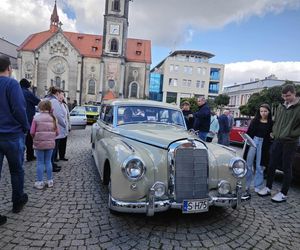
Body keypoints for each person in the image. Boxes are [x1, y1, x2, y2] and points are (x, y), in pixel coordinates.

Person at [258, 84, 300, 202]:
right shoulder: (281, 106)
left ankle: (283, 193)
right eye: (284, 96)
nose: (286, 98)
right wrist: (274, 131)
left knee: (287, 167)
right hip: (277, 139)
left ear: (294, 93)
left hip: (290, 141)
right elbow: (276, 120)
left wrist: (292, 133)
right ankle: (268, 187)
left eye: (288, 96)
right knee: (271, 164)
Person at [0, 55, 29, 220]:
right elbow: (19, 108)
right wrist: (25, 126)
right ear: (9, 68)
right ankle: (17, 202)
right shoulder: (12, 84)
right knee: (16, 170)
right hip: (12, 135)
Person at [244, 103, 273, 193]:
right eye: (261, 111)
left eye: (265, 111)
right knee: (248, 164)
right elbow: (249, 133)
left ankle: (258, 185)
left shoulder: (271, 123)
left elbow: (271, 136)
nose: (263, 113)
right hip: (254, 141)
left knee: (260, 166)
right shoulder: (255, 121)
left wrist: (272, 136)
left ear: (269, 112)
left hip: (264, 144)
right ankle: (246, 184)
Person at [31, 100, 59, 189]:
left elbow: (32, 132)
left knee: (40, 162)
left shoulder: (36, 118)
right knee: (48, 161)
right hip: (50, 144)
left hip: (39, 143)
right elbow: (57, 133)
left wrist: (35, 138)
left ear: (40, 107)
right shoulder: (53, 118)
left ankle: (40, 182)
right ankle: (50, 181)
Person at [45, 87, 67, 172]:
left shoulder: (46, 99)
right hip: (54, 127)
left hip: (46, 127)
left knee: (50, 148)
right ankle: (50, 165)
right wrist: (64, 124)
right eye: (60, 94)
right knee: (53, 148)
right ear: (57, 93)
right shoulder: (54, 101)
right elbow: (58, 115)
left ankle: (51, 163)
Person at [20, 78, 40, 161]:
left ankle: (19, 156)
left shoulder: (17, 91)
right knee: (29, 139)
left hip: (17, 119)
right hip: (28, 118)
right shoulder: (27, 93)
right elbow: (37, 101)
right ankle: (30, 155)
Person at [57, 92, 70, 161]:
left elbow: (68, 116)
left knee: (63, 142)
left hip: (65, 127)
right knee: (57, 142)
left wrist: (69, 126)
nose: (62, 97)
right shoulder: (56, 104)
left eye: (63, 95)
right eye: (60, 95)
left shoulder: (65, 105)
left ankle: (62, 156)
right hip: (58, 126)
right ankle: (55, 157)